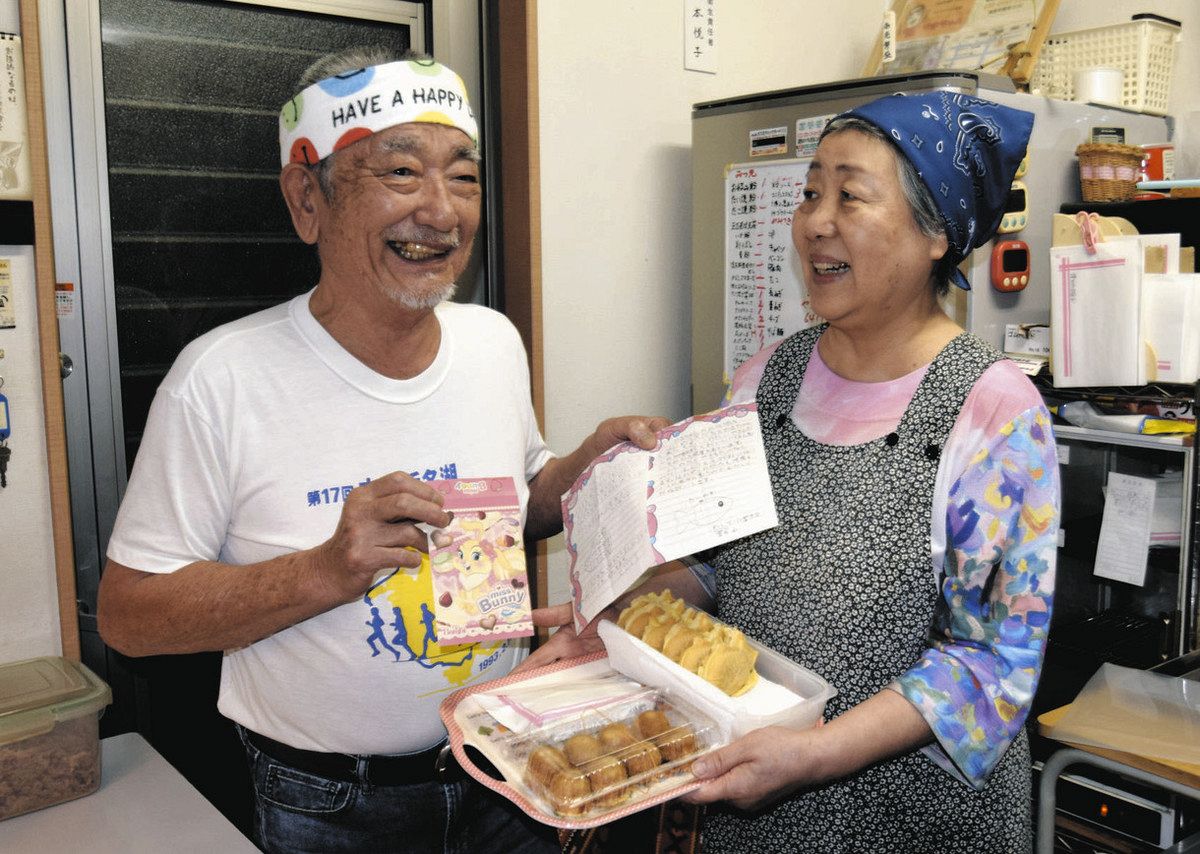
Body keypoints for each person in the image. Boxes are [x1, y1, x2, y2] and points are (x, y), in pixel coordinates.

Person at [97, 47, 666, 854]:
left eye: (463, 178)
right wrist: (325, 570)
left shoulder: (492, 341)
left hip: (508, 760)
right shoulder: (220, 379)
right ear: (308, 199)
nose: (441, 211)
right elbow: (128, 616)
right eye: (401, 172)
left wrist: (581, 472)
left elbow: (518, 502)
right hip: (331, 802)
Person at [529, 92, 1059, 853]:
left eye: (850, 195)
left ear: (937, 230)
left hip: (915, 821)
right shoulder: (761, 382)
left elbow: (990, 662)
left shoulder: (996, 414)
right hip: (755, 795)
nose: (815, 220)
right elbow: (715, 570)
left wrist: (816, 753)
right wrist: (622, 626)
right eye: (811, 192)